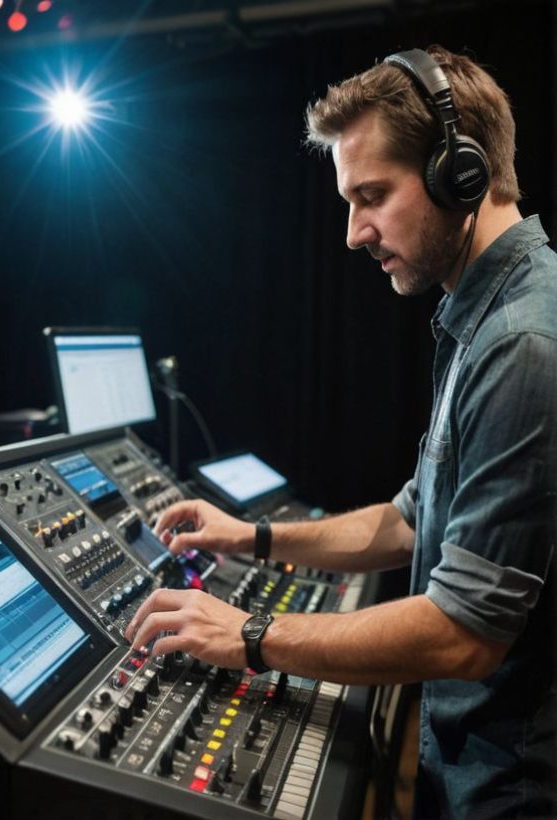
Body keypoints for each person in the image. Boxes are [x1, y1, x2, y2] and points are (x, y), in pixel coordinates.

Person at [126, 46, 557, 818]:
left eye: (373, 195)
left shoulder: (524, 345)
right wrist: (252, 539)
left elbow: (465, 634)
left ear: (462, 172)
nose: (354, 232)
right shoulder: (485, 319)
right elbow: (408, 521)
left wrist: (251, 633)